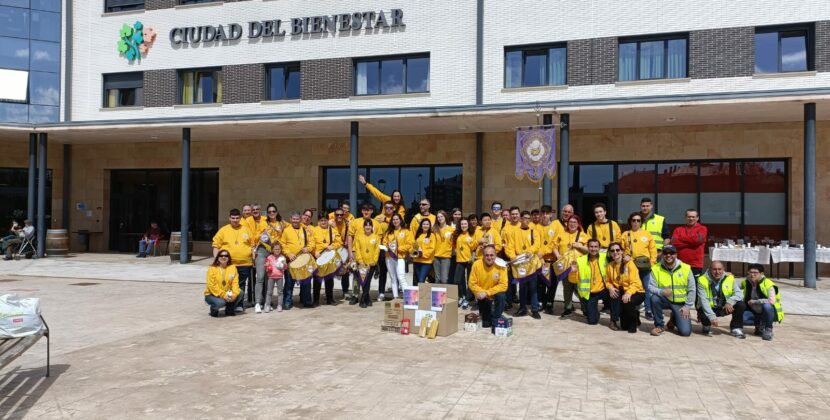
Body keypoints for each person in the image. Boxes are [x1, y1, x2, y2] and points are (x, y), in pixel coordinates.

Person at [212, 209, 255, 312]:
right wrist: (216, 260)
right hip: (229, 264)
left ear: (240, 218)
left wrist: (253, 258)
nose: (235, 220)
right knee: (228, 284)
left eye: (237, 218)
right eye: (233, 218)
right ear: (229, 218)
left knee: (241, 284)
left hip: (245, 263)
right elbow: (215, 245)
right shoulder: (223, 230)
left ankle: (239, 304)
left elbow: (252, 245)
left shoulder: (246, 229)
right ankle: (227, 303)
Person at [647, 245, 696, 337]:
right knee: (654, 298)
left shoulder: (686, 268)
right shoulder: (655, 268)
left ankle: (674, 318)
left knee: (685, 332)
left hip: (680, 304)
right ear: (662, 255)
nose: (668, 255)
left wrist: (687, 306)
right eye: (665, 253)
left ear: (676, 255)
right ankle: (660, 326)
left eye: (671, 253)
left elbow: (692, 289)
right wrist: (661, 292)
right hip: (665, 299)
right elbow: (650, 286)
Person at [621, 211, 658, 321]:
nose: (636, 222)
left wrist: (652, 262)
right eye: (634, 220)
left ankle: (648, 310)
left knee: (646, 288)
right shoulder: (625, 234)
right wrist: (625, 256)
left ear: (641, 222)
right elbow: (620, 249)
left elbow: (653, 250)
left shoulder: (647, 234)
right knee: (631, 286)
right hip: (631, 266)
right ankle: (634, 307)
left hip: (645, 266)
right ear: (630, 221)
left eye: (638, 220)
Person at [505, 211, 541, 319]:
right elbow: (510, 246)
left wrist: (530, 251)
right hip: (520, 263)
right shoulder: (515, 232)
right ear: (521, 219)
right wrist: (512, 256)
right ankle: (522, 308)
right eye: (525, 218)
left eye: (529, 218)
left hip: (531, 263)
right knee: (522, 287)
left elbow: (537, 244)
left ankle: (535, 309)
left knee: (533, 287)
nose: (527, 220)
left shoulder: (533, 231)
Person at [575, 239, 618, 327]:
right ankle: (594, 312)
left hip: (604, 289)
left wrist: (627, 256)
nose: (593, 249)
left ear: (599, 248)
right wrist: (572, 272)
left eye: (595, 247)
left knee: (616, 294)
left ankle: (614, 321)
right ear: (587, 247)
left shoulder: (605, 257)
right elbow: (574, 279)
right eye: (591, 246)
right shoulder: (580, 260)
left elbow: (617, 254)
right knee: (592, 321)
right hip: (590, 293)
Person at [696, 261, 746, 337]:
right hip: (709, 307)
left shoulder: (729, 278)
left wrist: (730, 302)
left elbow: (739, 294)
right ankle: (706, 324)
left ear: (723, 269)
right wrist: (712, 317)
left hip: (724, 306)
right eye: (714, 269)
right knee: (702, 308)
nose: (717, 272)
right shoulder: (702, 280)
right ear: (709, 269)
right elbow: (704, 301)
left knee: (740, 304)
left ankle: (736, 328)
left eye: (719, 269)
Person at [468, 244, 508, 334]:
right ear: (483, 255)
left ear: (495, 255)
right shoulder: (476, 264)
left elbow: (504, 285)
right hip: (482, 295)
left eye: (491, 255)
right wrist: (480, 292)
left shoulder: (501, 265)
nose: (489, 258)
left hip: (493, 293)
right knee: (486, 324)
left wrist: (487, 292)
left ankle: (496, 320)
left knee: (501, 295)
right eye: (487, 255)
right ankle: (489, 316)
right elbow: (471, 283)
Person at [554, 215, 588, 318]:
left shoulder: (583, 235)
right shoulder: (561, 234)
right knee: (567, 287)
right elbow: (554, 246)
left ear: (578, 224)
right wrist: (558, 255)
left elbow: (589, 249)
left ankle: (585, 308)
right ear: (567, 223)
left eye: (574, 222)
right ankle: (568, 308)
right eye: (570, 222)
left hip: (578, 265)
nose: (572, 224)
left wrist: (579, 246)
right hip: (565, 265)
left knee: (580, 287)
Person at [280, 212, 316, 309]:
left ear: (300, 219)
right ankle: (287, 301)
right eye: (294, 219)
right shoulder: (286, 230)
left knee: (306, 281)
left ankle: (306, 300)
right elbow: (282, 244)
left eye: (297, 219)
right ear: (291, 219)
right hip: (291, 260)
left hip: (304, 260)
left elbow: (312, 242)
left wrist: (308, 248)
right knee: (289, 282)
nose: (295, 221)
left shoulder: (306, 229)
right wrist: (289, 254)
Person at [606, 242, 644, 333]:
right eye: (612, 251)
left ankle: (633, 323)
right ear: (610, 253)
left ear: (622, 251)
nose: (615, 252)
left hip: (637, 291)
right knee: (624, 326)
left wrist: (628, 293)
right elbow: (607, 281)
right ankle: (634, 314)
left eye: (617, 250)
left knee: (628, 301)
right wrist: (610, 288)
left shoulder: (629, 264)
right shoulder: (610, 266)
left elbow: (635, 283)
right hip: (622, 291)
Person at [742, 264, 784, 341]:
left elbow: (771, 301)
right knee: (741, 318)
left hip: (770, 312)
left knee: (767, 306)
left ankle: (768, 328)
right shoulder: (746, 281)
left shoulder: (768, 283)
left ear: (761, 273)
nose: (752, 274)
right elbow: (734, 286)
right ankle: (760, 325)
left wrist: (756, 301)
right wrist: (728, 276)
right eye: (750, 272)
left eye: (755, 272)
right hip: (754, 311)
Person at [312, 215, 342, 306]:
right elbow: (311, 242)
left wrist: (333, 246)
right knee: (317, 279)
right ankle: (316, 300)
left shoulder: (332, 230)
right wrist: (314, 252)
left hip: (329, 257)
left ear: (328, 221)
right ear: (318, 221)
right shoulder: (314, 230)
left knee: (329, 278)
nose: (323, 222)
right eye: (321, 220)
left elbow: (339, 242)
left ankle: (330, 299)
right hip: (318, 256)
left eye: (325, 220)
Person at [245, 203, 270, 312]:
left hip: (268, 250)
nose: (255, 211)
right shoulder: (248, 221)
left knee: (268, 277)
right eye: (253, 209)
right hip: (256, 250)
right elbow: (249, 235)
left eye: (257, 209)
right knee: (259, 277)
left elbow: (280, 225)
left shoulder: (266, 219)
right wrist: (258, 237)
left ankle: (267, 301)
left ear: (260, 210)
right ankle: (257, 302)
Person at [382, 213, 413, 299]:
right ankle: (395, 297)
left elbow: (409, 244)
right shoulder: (388, 232)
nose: (395, 221)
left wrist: (397, 248)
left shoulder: (406, 231)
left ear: (400, 220)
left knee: (401, 277)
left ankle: (408, 298)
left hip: (399, 258)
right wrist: (388, 247)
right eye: (394, 219)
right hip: (389, 257)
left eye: (397, 219)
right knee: (393, 278)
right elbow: (384, 242)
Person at [671, 209, 708, 277]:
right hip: (680, 263)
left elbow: (698, 240)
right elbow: (674, 243)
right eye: (689, 216)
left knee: (694, 286)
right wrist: (692, 243)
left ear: (697, 218)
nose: (691, 218)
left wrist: (681, 238)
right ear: (685, 217)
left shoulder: (702, 228)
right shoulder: (678, 229)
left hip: (695, 264)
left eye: (693, 217)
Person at [535, 206, 558, 315]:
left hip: (552, 260)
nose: (544, 215)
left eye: (547, 213)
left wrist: (543, 252)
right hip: (541, 261)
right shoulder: (537, 227)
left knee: (552, 284)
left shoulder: (556, 226)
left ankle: (549, 303)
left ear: (551, 214)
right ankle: (541, 302)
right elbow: (536, 243)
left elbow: (555, 243)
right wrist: (540, 257)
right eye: (542, 213)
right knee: (541, 283)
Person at [204, 251, 241, 317]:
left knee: (240, 293)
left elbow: (235, 283)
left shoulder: (232, 268)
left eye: (226, 256)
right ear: (218, 258)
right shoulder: (212, 269)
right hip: (212, 294)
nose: (223, 257)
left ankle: (229, 309)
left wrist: (234, 295)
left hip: (227, 292)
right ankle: (214, 309)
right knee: (221, 302)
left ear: (228, 258)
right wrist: (224, 295)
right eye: (221, 255)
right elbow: (212, 286)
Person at [352, 219, 380, 308]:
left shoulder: (376, 237)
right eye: (366, 225)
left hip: (371, 264)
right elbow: (357, 249)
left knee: (367, 281)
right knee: (364, 282)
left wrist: (374, 261)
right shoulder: (358, 236)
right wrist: (360, 261)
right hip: (362, 264)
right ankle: (365, 299)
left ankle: (364, 299)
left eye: (369, 225)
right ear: (363, 227)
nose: (368, 227)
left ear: (372, 227)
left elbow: (377, 250)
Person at [374, 201, 396, 301]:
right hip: (382, 247)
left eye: (391, 208)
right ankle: (381, 293)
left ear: (394, 209)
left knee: (395, 272)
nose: (389, 209)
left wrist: (386, 220)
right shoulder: (378, 218)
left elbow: (398, 226)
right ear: (384, 208)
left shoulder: (396, 218)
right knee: (383, 272)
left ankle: (396, 293)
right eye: (387, 207)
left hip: (394, 248)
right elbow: (372, 230)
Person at [453, 218, 475, 309]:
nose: (463, 226)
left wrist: (472, 257)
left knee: (469, 281)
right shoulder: (458, 234)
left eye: (465, 224)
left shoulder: (471, 234)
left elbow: (474, 248)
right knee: (457, 280)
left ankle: (467, 299)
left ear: (468, 225)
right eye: (462, 224)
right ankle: (462, 296)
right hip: (460, 260)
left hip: (469, 260)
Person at [330, 207, 351, 300]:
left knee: (345, 271)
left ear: (344, 215)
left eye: (341, 215)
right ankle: (329, 293)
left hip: (344, 249)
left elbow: (350, 235)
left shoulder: (347, 224)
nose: (339, 216)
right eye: (337, 214)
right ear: (334, 215)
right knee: (331, 272)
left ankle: (345, 291)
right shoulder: (330, 224)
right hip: (332, 250)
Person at [432, 211, 454, 284]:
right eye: (438, 217)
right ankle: (437, 295)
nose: (440, 218)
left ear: (445, 217)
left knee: (444, 279)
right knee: (437, 279)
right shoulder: (434, 229)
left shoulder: (451, 229)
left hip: (446, 257)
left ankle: (443, 295)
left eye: (441, 216)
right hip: (436, 257)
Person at [412, 218, 436, 285]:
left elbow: (432, 248)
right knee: (419, 280)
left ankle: (422, 294)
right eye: (424, 224)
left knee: (421, 280)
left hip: (426, 261)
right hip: (417, 260)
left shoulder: (432, 235)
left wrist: (422, 254)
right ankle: (421, 294)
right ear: (421, 225)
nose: (425, 226)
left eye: (427, 224)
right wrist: (416, 251)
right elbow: (414, 245)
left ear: (430, 226)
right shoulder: (418, 235)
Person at [264, 242, 287, 312]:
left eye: (279, 249)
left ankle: (279, 305)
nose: (277, 250)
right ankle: (267, 305)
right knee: (269, 292)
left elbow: (285, 268)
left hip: (280, 277)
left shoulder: (282, 257)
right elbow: (266, 268)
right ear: (272, 250)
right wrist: (266, 266)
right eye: (275, 249)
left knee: (280, 292)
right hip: (271, 277)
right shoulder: (269, 257)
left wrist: (285, 264)